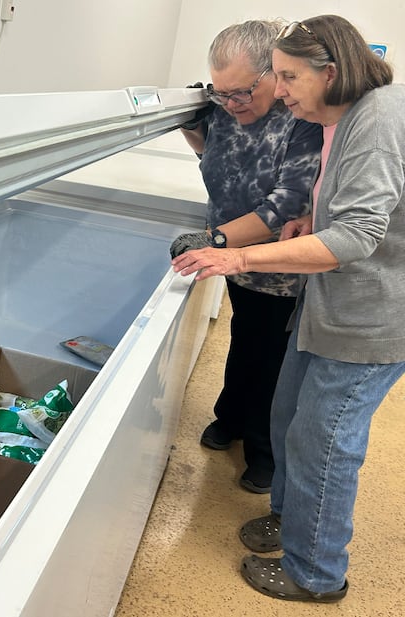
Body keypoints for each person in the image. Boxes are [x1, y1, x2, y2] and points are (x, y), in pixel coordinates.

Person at [172, 14, 405, 603]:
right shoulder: (342, 117)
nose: (281, 91)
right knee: (287, 417)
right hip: (329, 303)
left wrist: (242, 259)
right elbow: (346, 209)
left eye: (288, 77)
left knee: (325, 441)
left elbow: (357, 236)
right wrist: (310, 220)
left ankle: (315, 573)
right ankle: (288, 519)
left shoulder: (377, 120)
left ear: (330, 71)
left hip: (371, 320)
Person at [173, 20, 322, 493]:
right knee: (244, 337)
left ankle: (264, 451)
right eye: (222, 94)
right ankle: (230, 417)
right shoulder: (226, 110)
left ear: (274, 77)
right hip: (232, 258)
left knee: (272, 358)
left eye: (241, 92)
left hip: (278, 267)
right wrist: (194, 124)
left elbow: (285, 205)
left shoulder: (300, 120)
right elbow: (213, 158)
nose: (232, 104)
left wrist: (214, 240)